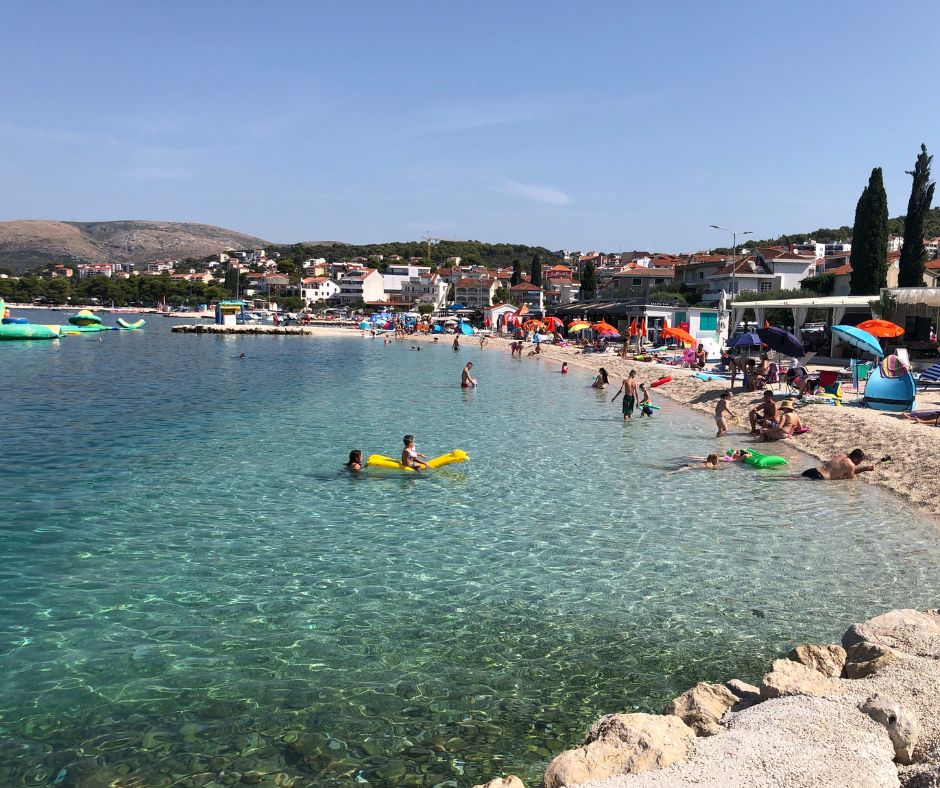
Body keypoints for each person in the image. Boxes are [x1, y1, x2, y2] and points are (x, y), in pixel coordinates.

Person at [801, 449, 875, 480]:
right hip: (819, 477)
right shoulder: (851, 465)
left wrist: (865, 468)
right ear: (856, 459)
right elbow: (850, 480)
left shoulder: (841, 456)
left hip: (813, 470)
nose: (859, 463)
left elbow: (845, 470)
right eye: (860, 461)